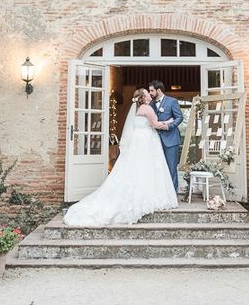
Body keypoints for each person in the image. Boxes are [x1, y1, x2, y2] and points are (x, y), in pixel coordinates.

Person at [63, 88, 178, 226]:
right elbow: (156, 125)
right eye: (147, 92)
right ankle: (146, 196)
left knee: (137, 167)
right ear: (143, 97)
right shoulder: (148, 109)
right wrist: (170, 123)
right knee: (147, 168)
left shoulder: (137, 109)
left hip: (138, 141)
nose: (149, 93)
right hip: (147, 141)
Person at [149, 80, 183, 193]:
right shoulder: (151, 104)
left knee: (171, 168)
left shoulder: (172, 101)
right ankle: (161, 193)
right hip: (156, 140)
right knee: (158, 168)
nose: (150, 93)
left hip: (171, 140)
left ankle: (173, 194)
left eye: (152, 91)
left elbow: (179, 117)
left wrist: (169, 126)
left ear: (158, 90)